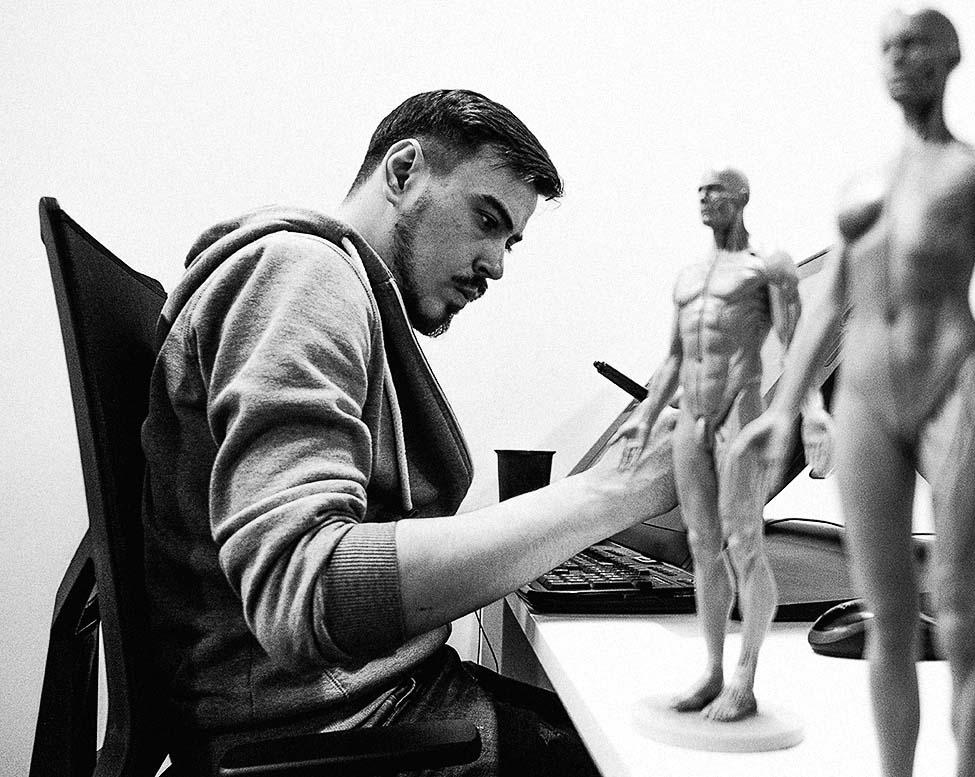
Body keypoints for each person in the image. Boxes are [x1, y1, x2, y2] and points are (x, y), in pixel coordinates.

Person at [140, 89, 677, 775]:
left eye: (510, 241)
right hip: (329, 732)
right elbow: (307, 589)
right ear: (402, 172)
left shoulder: (329, 286)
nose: (497, 264)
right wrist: (616, 489)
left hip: (363, 705)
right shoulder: (303, 274)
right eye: (487, 220)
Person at [730, 10, 975, 777]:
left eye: (914, 44)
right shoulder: (860, 188)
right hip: (867, 398)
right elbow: (828, 303)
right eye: (888, 47)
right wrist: (785, 408)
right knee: (888, 620)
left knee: (962, 620)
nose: (898, 58)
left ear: (950, 56)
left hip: (955, 387)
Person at [616, 167, 833, 722]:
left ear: (740, 198)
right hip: (691, 415)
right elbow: (674, 357)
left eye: (714, 190)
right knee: (702, 544)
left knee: (744, 543)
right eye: (700, 190)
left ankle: (746, 676)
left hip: (741, 411)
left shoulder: (769, 267)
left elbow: (797, 344)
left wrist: (813, 414)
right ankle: (713, 670)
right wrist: (644, 416)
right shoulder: (689, 276)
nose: (704, 198)